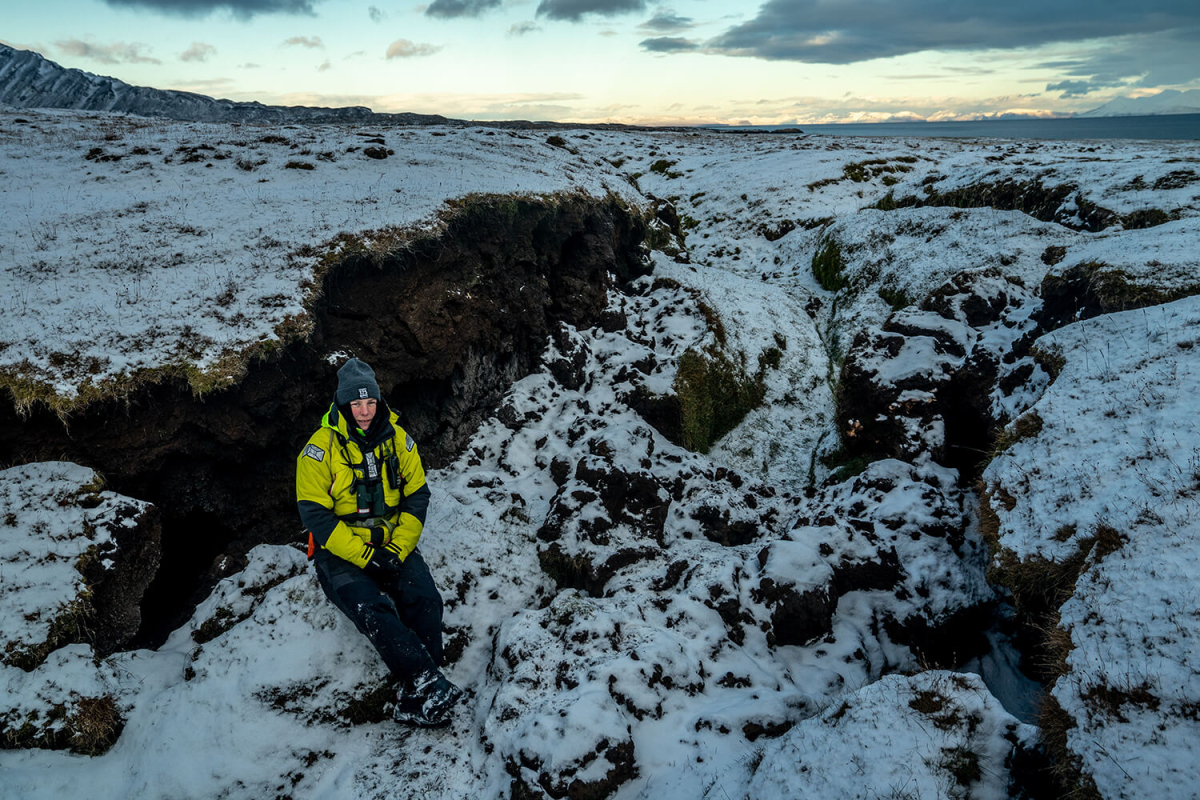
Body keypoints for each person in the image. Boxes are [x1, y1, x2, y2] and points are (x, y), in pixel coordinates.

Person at [296, 358, 462, 727]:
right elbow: (316, 517)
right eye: (356, 404)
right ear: (342, 404)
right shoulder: (318, 449)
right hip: (339, 552)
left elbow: (417, 497)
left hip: (390, 543)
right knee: (373, 610)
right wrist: (365, 557)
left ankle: (421, 687)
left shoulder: (399, 439)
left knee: (425, 599)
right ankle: (427, 682)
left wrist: (395, 550)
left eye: (370, 402)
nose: (365, 411)